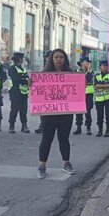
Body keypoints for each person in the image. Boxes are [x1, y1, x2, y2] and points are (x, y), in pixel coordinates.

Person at [37, 49, 76, 179]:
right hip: (49, 113)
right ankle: (42, 165)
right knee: (47, 138)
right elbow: (38, 91)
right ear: (51, 59)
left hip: (66, 112)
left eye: (61, 57)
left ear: (65, 59)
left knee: (64, 138)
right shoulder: (44, 75)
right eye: (56, 57)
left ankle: (66, 163)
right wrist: (32, 84)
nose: (59, 59)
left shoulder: (71, 74)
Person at [7, 52, 30, 134]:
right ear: (19, 59)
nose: (22, 60)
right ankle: (11, 125)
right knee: (14, 109)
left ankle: (24, 126)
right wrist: (27, 81)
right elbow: (16, 80)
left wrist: (29, 81)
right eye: (22, 59)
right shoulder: (12, 68)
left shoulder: (23, 69)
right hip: (15, 92)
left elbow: (27, 78)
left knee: (23, 110)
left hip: (23, 92)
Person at [73, 57, 94, 135]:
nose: (88, 63)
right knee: (78, 111)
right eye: (86, 61)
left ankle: (88, 127)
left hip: (88, 94)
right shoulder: (77, 71)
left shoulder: (91, 71)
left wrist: (88, 70)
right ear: (82, 63)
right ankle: (79, 127)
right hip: (79, 94)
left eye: (89, 62)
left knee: (88, 111)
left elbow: (88, 79)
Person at [94, 60, 109, 137]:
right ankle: (100, 130)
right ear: (100, 67)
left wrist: (101, 85)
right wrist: (105, 85)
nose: (106, 67)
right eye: (104, 65)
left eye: (107, 65)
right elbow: (95, 85)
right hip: (99, 99)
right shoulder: (96, 76)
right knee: (99, 116)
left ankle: (108, 130)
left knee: (108, 115)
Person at [35, 50, 52, 134]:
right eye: (46, 57)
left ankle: (46, 127)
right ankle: (42, 126)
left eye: (48, 57)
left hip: (54, 93)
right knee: (44, 111)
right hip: (46, 92)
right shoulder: (46, 66)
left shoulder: (57, 66)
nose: (47, 59)